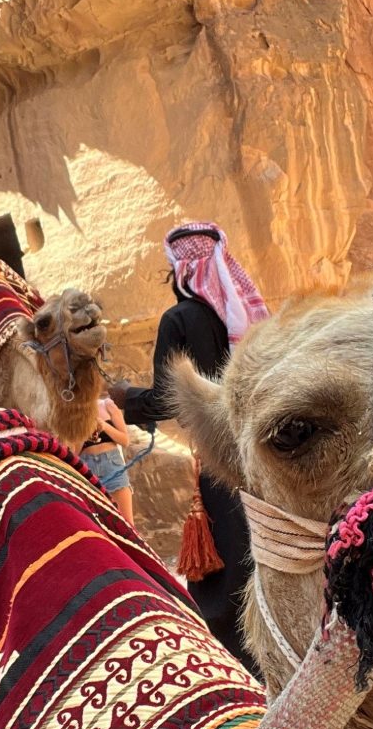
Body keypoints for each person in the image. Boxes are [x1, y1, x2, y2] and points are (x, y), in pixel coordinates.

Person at [114, 221, 269, 672]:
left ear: (179, 270)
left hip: (218, 457)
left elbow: (167, 397)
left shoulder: (178, 320)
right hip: (259, 449)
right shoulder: (243, 313)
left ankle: (244, 666)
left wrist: (125, 399)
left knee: (229, 563)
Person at [80, 395, 138, 529]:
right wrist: (83, 431)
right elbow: (74, 452)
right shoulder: (72, 413)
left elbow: (125, 440)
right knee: (96, 525)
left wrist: (104, 426)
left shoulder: (107, 405)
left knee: (127, 524)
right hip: (87, 468)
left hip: (111, 464)